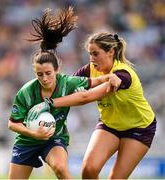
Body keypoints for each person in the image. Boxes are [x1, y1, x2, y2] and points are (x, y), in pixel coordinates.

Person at [8, 7, 119, 179]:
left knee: (61, 168)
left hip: (54, 138)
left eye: (48, 73)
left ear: (57, 70)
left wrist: (111, 77)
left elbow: (95, 81)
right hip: (27, 142)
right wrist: (34, 133)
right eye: (39, 74)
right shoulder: (26, 92)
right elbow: (12, 123)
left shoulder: (68, 83)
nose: (44, 78)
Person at [28, 32, 156, 179]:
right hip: (110, 125)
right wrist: (47, 59)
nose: (91, 59)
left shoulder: (123, 75)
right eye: (90, 54)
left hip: (139, 128)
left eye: (96, 54)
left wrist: (48, 104)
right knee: (89, 170)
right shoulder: (90, 69)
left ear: (111, 52)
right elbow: (64, 87)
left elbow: (85, 97)